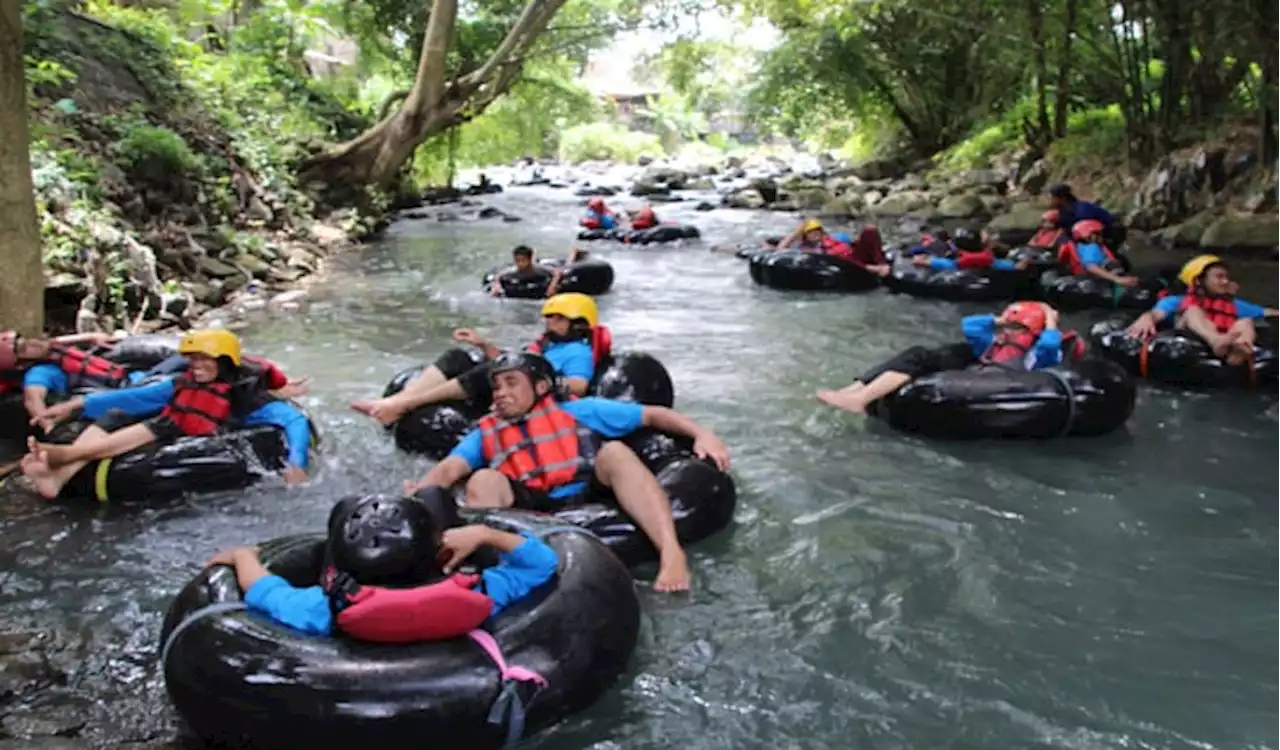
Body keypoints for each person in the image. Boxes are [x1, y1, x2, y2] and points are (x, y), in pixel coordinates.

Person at [403, 352, 731, 592]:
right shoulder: (487, 431)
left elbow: (653, 415)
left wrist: (702, 433)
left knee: (615, 452)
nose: (501, 393)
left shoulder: (580, 410)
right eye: (497, 386)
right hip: (526, 510)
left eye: (511, 383)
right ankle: (499, 576)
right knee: (482, 479)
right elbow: (448, 469)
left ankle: (670, 552)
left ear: (542, 386)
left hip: (586, 491)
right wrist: (420, 498)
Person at [207, 494, 559, 640]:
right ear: (442, 557)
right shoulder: (487, 591)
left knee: (346, 506)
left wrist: (243, 556)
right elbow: (544, 564)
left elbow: (261, 588)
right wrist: (485, 533)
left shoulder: (321, 608)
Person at [18, 329, 313, 498]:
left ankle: (62, 460)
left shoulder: (247, 396)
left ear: (224, 362)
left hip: (198, 442)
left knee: (146, 432)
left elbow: (293, 421)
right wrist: (73, 406)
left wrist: (296, 463)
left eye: (203, 360)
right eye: (192, 359)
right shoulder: (183, 382)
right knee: (118, 416)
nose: (195, 366)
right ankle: (59, 471)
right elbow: (136, 397)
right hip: (168, 427)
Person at [352, 293, 606, 425]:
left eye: (558, 318)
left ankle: (403, 406)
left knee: (488, 371)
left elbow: (579, 385)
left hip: (534, 401)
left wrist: (541, 380)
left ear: (579, 324)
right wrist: (483, 343)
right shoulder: (547, 343)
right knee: (458, 357)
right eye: (550, 317)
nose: (550, 322)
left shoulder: (578, 352)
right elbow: (513, 362)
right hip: (520, 387)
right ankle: (394, 402)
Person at [817, 302, 1073, 414]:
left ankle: (859, 400)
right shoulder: (994, 342)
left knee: (923, 362)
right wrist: (1002, 320)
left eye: (1016, 329)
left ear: (1034, 331)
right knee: (917, 354)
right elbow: (970, 326)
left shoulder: (1039, 353)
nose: (1007, 332)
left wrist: (1049, 319)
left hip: (998, 388)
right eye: (1008, 327)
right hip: (977, 375)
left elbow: (1051, 344)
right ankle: (854, 392)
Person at [1126, 255, 1279, 365]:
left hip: (1226, 345)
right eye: (1219, 277)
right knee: (1193, 310)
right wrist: (1146, 318)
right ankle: (1215, 340)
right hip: (1192, 343)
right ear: (1199, 280)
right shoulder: (1176, 301)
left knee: (1246, 321)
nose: (1225, 282)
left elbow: (1267, 313)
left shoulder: (1234, 305)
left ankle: (1240, 350)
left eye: (1226, 277)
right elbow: (1156, 314)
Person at [777, 219, 892, 277]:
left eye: (817, 231)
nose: (815, 234)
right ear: (805, 236)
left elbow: (851, 243)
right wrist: (797, 231)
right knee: (835, 256)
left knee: (869, 229)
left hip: (855, 256)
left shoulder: (833, 238)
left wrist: (861, 241)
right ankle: (873, 269)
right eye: (810, 233)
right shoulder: (805, 248)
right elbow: (781, 250)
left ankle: (881, 264)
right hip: (845, 265)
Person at [1058, 219, 1137, 287]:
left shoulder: (1084, 246)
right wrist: (1117, 279)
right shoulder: (1091, 248)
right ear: (1091, 235)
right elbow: (1091, 267)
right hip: (1097, 280)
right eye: (1099, 233)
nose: (1102, 236)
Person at [489, 245, 588, 298]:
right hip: (532, 274)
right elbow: (498, 276)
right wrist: (496, 286)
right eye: (517, 261)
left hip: (547, 269)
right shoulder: (514, 271)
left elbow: (557, 272)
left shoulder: (538, 269)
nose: (520, 264)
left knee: (567, 268)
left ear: (529, 260)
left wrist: (552, 286)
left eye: (523, 261)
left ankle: (574, 253)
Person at [1048, 183, 1127, 249]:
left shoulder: (1082, 210)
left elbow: (1090, 232)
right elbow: (1064, 229)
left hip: (1111, 233)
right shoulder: (1063, 211)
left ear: (1062, 198)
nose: (1050, 201)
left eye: (1052, 198)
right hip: (1092, 235)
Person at [910, 229, 1030, 272]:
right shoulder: (990, 261)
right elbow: (1019, 267)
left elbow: (917, 260)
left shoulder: (952, 262)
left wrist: (925, 259)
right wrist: (1026, 257)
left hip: (958, 266)